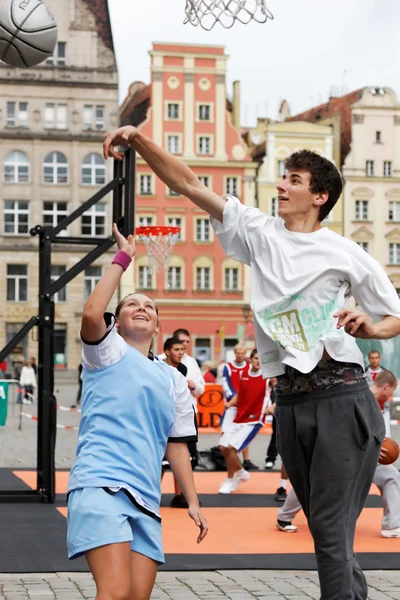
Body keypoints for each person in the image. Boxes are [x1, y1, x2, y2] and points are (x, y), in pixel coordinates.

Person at [104, 127, 400, 600]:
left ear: (319, 196)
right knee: (332, 532)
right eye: (282, 177)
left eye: (294, 179)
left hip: (342, 395)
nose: (281, 185)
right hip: (289, 402)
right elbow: (189, 183)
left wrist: (369, 323)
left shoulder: (346, 252)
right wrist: (138, 140)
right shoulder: (259, 231)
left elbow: (394, 318)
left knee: (326, 528)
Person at [67, 224, 208, 600]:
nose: (141, 307)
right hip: (101, 482)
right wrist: (122, 258)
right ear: (118, 319)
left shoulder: (174, 378)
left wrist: (192, 500)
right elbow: (92, 312)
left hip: (146, 494)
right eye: (132, 303)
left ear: (158, 325)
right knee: (113, 592)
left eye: (149, 306)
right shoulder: (106, 352)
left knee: (135, 598)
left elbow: (176, 445)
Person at [276, 370, 400, 538]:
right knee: (314, 480)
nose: (392, 395)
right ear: (386, 387)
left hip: (368, 455)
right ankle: (284, 516)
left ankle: (392, 525)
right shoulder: (360, 399)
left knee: (391, 475)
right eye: (393, 390)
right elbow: (343, 428)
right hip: (344, 454)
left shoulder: (378, 404)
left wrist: (377, 445)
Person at [219, 349, 269, 494]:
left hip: (254, 420)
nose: (258, 361)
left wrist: (272, 407)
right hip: (239, 417)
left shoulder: (267, 376)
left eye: (261, 359)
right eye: (255, 358)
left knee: (232, 449)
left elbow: (281, 390)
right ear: (251, 360)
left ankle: (229, 481)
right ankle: (241, 472)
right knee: (223, 447)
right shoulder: (243, 374)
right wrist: (230, 404)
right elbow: (240, 394)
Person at [162, 336, 198, 509]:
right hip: (162, 416)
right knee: (160, 462)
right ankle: (152, 492)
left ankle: (180, 496)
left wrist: (194, 385)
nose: (180, 353)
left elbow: (199, 389)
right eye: (177, 350)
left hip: (180, 415)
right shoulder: (158, 366)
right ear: (167, 352)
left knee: (183, 456)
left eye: (182, 350)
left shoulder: (183, 368)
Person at [221, 344, 258, 470]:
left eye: (242, 353)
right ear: (235, 353)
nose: (240, 355)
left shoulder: (249, 367)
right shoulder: (228, 367)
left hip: (245, 406)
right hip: (232, 404)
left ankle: (245, 460)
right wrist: (233, 398)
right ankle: (227, 459)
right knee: (225, 431)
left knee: (243, 431)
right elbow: (225, 383)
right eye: (238, 353)